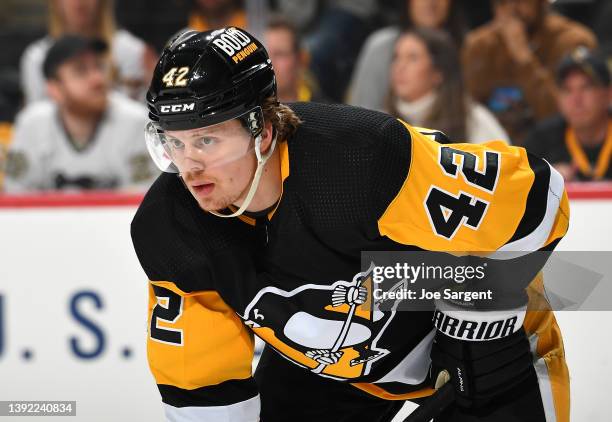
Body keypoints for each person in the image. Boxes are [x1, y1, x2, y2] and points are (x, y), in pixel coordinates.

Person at [131, 28, 570, 422]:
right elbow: (204, 389)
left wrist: (471, 320)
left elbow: (539, 199)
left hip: (471, 340)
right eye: (173, 142)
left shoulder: (363, 162)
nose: (189, 166)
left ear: (261, 131)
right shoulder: (171, 228)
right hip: (332, 369)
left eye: (206, 139)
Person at [4, 35, 155, 193]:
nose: (97, 79)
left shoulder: (135, 121)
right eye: (81, 71)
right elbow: (15, 194)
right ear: (54, 89)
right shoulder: (31, 124)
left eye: (98, 66)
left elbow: (142, 198)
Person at [462, 0, 597, 144]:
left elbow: (564, 115)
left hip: (554, 147)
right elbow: (470, 113)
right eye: (502, 3)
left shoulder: (571, 41)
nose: (511, 10)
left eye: (520, 1)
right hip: (494, 147)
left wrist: (524, 59)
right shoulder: (479, 46)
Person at [387, 28, 510, 143]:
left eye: (413, 58)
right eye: (396, 57)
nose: (400, 67)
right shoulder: (380, 121)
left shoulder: (474, 121)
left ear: (438, 73)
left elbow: (505, 162)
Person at [20, 0, 148, 103]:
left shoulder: (133, 51)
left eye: (98, 66)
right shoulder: (37, 57)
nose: (79, 2)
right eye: (80, 69)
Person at [349, 0, 467, 111]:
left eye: (413, 58)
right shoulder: (381, 46)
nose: (431, 2)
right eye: (396, 57)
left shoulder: (469, 48)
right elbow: (360, 114)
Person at [524, 48, 612, 181]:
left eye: (586, 87)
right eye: (567, 90)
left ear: (608, 94)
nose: (576, 100)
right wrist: (543, 177)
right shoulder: (541, 140)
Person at [264, 16, 326, 103]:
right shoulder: (242, 111)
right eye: (262, 54)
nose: (268, 63)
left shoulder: (325, 113)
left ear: (301, 59)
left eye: (280, 54)